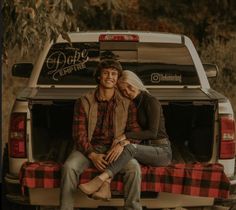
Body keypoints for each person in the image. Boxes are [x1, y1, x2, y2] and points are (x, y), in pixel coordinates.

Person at [60, 61, 143, 210]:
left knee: (134, 168)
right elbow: (79, 134)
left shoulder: (127, 102)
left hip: (114, 150)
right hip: (89, 149)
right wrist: (92, 154)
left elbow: (135, 131)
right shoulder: (84, 101)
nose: (109, 77)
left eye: (114, 74)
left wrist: (121, 144)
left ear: (118, 78)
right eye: (105, 73)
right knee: (69, 167)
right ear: (99, 76)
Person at [79, 70, 172, 200]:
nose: (127, 91)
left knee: (128, 148)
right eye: (123, 90)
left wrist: (125, 137)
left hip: (161, 151)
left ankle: (100, 179)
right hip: (144, 147)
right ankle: (106, 189)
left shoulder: (151, 101)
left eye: (129, 86)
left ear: (136, 82)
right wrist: (121, 141)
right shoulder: (133, 103)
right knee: (118, 146)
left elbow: (152, 132)